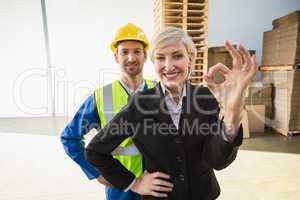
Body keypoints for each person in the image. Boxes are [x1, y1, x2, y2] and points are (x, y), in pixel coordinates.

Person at [85, 27, 257, 200]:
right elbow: (95, 151)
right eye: (160, 58)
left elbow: (217, 161)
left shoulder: (205, 98)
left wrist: (232, 114)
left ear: (190, 59)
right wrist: (134, 183)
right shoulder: (140, 104)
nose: (168, 66)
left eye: (177, 55)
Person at [61, 23, 156, 200]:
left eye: (136, 51)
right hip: (121, 189)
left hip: (157, 185)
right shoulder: (101, 97)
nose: (131, 57)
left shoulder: (158, 91)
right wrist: (96, 172)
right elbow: (69, 137)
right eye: (124, 52)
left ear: (145, 56)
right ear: (116, 57)